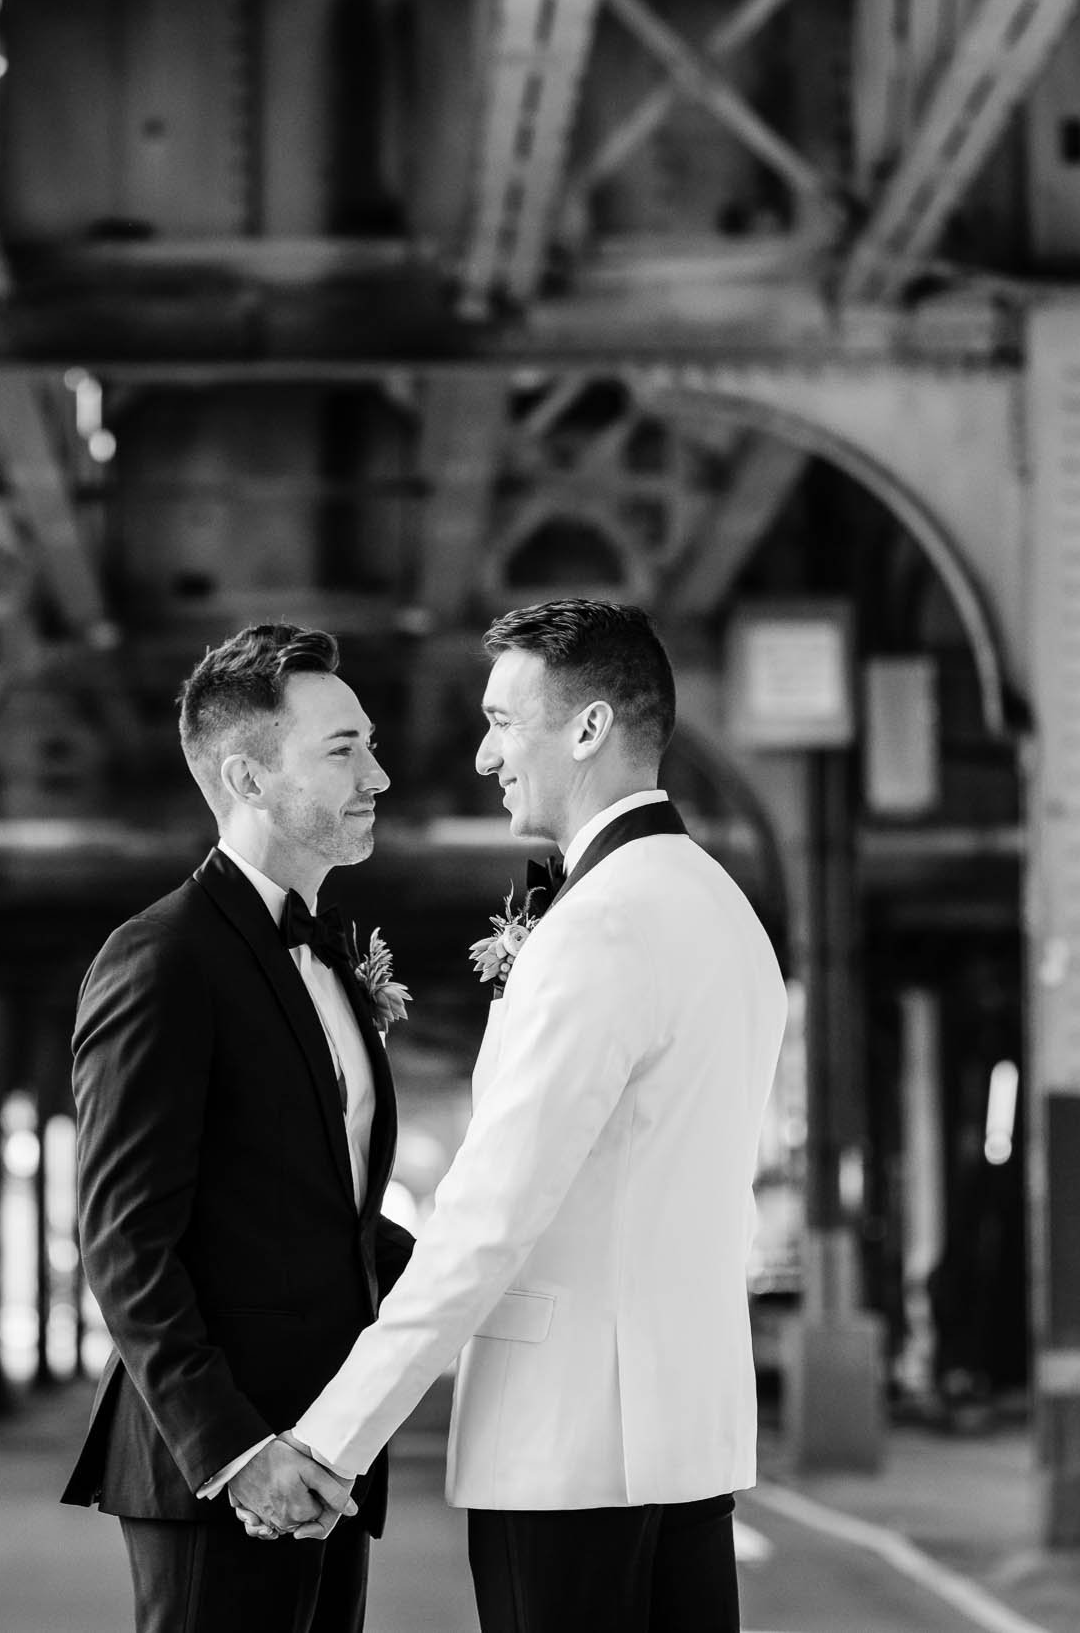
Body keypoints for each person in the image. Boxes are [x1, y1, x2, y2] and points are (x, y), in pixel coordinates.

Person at [269, 599, 788, 1633]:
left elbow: (488, 1216)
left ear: (587, 727)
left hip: (567, 1451)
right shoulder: (727, 913)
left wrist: (329, 1437)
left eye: (504, 720)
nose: (481, 753)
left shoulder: (598, 927)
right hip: (686, 1441)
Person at [61, 623, 416, 1633]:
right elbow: (124, 1238)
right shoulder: (162, 956)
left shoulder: (332, 965)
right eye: (342, 749)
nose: (378, 775)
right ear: (246, 778)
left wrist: (478, 1271)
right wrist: (233, 1450)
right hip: (223, 1469)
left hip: (330, 1452)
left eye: (370, 742)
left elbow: (321, 1213)